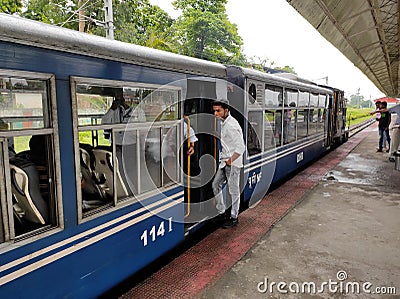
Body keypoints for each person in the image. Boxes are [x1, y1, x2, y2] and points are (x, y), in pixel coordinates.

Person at [212, 99, 245, 228]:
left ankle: (234, 217)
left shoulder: (232, 125)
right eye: (214, 111)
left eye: (218, 111)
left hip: (232, 164)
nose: (215, 113)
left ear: (226, 110)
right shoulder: (224, 123)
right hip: (224, 162)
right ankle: (221, 213)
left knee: (233, 191)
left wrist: (231, 160)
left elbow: (241, 147)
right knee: (215, 185)